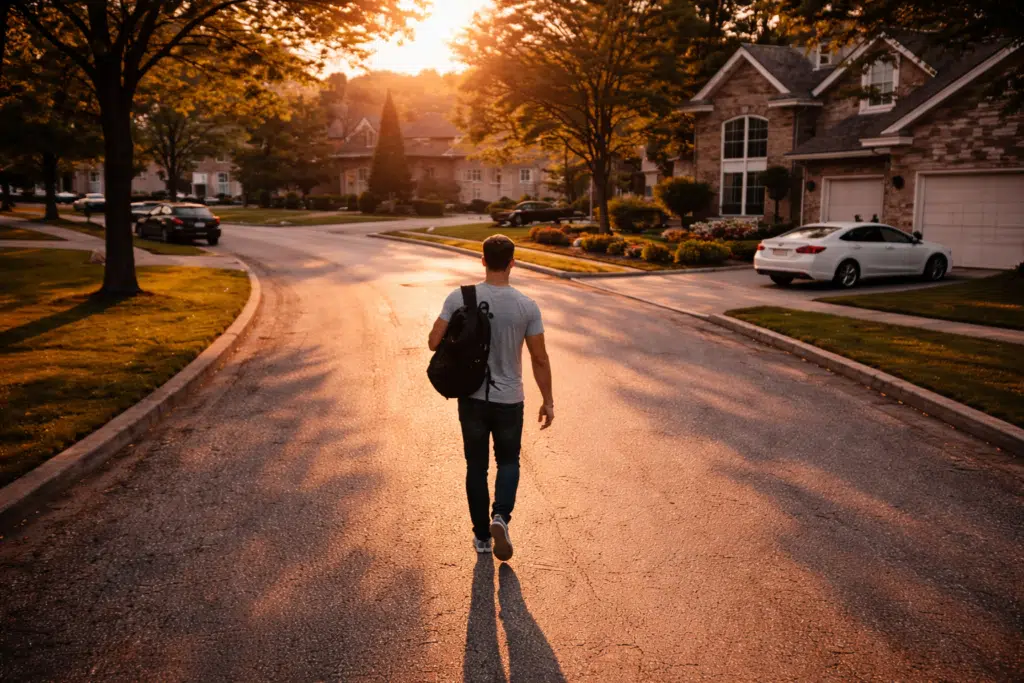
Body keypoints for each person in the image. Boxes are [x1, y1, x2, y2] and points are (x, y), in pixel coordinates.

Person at [428, 235, 554, 561]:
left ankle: (482, 537)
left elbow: (433, 342)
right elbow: (539, 358)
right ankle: (501, 516)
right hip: (509, 400)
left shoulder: (460, 297)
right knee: (508, 461)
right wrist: (548, 400)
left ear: (483, 261)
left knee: (476, 466)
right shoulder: (527, 306)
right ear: (513, 263)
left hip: (471, 397)